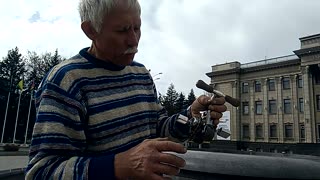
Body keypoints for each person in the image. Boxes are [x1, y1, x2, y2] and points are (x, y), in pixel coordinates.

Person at [25, 0, 227, 179]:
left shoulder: (140, 73)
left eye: (137, 28)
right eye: (122, 30)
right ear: (90, 30)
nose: (134, 40)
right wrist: (118, 166)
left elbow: (158, 129)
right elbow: (42, 171)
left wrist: (191, 116)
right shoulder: (66, 81)